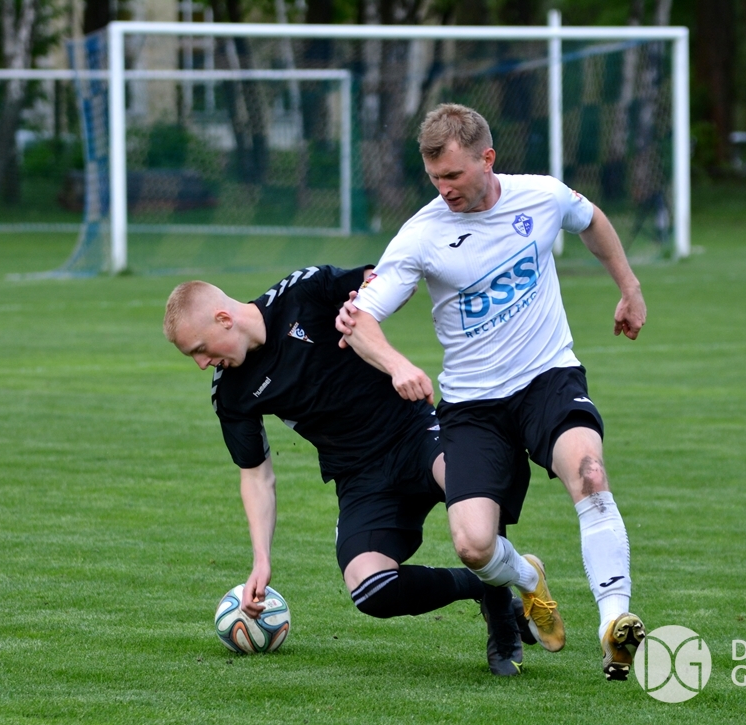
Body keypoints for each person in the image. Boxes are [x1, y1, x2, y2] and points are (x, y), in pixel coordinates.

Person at [335, 103, 647, 681]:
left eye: (454, 175)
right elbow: (357, 322)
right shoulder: (422, 234)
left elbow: (591, 220)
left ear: (487, 159)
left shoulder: (540, 196)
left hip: (548, 377)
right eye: (435, 178)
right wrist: (397, 365)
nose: (444, 189)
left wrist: (628, 288)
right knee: (474, 546)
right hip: (473, 407)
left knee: (589, 473)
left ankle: (614, 623)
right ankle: (528, 578)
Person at [162, 265, 535, 676]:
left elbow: (390, 280)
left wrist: (372, 300)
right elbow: (256, 476)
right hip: (360, 476)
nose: (202, 364)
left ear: (223, 318)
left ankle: (502, 619)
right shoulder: (231, 393)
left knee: (468, 483)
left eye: (200, 349)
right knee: (370, 588)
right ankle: (484, 584)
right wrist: (261, 560)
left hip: (414, 434)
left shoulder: (304, 292)